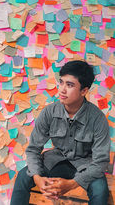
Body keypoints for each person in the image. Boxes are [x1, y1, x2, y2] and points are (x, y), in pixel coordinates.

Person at [10, 60, 110, 205]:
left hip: (84, 166)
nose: (62, 90)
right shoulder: (49, 112)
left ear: (84, 91)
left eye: (69, 85)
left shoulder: (97, 118)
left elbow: (100, 162)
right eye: (61, 82)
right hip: (55, 161)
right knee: (23, 176)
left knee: (100, 189)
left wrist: (72, 184)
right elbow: (33, 150)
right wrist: (37, 177)